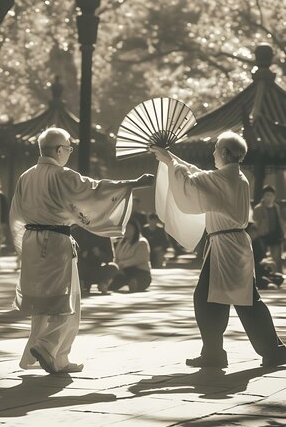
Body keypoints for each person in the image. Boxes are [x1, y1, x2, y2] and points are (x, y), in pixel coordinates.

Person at [10, 127, 153, 374]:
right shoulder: (62, 175)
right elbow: (95, 189)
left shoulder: (26, 176)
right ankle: (49, 347)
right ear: (58, 150)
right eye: (68, 148)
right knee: (66, 299)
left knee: (42, 303)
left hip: (33, 241)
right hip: (55, 242)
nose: (69, 152)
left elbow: (16, 214)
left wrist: (23, 245)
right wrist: (132, 184)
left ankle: (47, 352)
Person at [151, 130, 286, 369]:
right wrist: (171, 157)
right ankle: (268, 350)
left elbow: (192, 182)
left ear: (224, 152)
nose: (213, 153)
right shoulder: (233, 177)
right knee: (240, 300)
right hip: (232, 245)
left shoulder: (224, 179)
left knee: (214, 299)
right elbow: (198, 174)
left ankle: (218, 353)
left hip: (227, 247)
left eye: (216, 149)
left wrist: (170, 161)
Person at [72, 226, 119, 295]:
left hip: (95, 269)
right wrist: (80, 254)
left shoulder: (103, 233)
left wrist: (99, 254)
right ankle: (79, 284)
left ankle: (103, 283)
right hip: (79, 268)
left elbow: (110, 258)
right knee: (77, 266)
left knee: (113, 267)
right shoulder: (76, 231)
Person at [109, 219, 151, 292]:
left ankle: (134, 283)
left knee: (138, 280)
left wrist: (122, 264)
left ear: (135, 229)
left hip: (140, 271)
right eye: (125, 228)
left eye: (129, 228)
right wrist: (116, 267)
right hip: (123, 271)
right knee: (112, 284)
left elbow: (139, 259)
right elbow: (116, 257)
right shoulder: (121, 242)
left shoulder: (142, 242)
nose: (127, 230)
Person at [253, 185, 285, 273]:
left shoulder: (277, 208)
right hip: (263, 236)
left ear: (274, 196)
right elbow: (255, 223)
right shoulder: (258, 209)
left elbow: (281, 221)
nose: (269, 197)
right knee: (263, 258)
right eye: (267, 195)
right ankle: (266, 274)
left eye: (271, 195)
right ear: (263, 196)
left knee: (277, 258)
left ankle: (277, 275)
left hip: (275, 236)